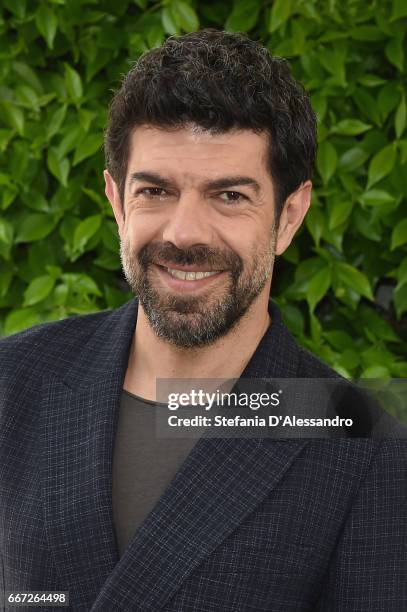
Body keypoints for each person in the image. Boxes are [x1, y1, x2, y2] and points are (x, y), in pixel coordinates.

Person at [0, 29, 406, 612]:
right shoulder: (14, 382)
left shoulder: (367, 449)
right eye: (156, 191)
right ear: (116, 202)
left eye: (230, 196)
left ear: (289, 217)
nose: (184, 233)